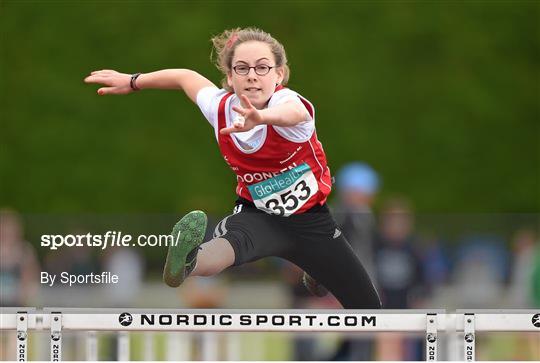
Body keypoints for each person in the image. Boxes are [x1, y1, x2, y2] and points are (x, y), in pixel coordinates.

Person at [84, 27, 380, 310]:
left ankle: (318, 275)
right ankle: (186, 261)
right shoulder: (219, 106)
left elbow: (296, 113)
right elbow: (186, 77)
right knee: (225, 248)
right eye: (242, 68)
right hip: (257, 216)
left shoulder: (286, 101)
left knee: (370, 309)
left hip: (311, 222)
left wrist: (263, 117)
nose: (252, 76)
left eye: (262, 67)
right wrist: (133, 81)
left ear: (279, 74)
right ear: (229, 77)